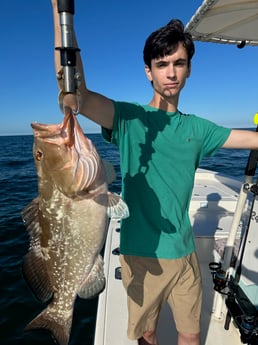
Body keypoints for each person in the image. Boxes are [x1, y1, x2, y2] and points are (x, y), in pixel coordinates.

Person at [51, 2, 258, 345]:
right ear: (148, 71)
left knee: (190, 336)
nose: (171, 73)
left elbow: (250, 138)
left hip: (185, 253)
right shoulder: (129, 118)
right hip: (140, 253)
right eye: (162, 65)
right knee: (147, 335)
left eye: (179, 63)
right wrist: (60, 19)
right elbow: (78, 96)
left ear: (189, 68)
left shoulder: (198, 128)